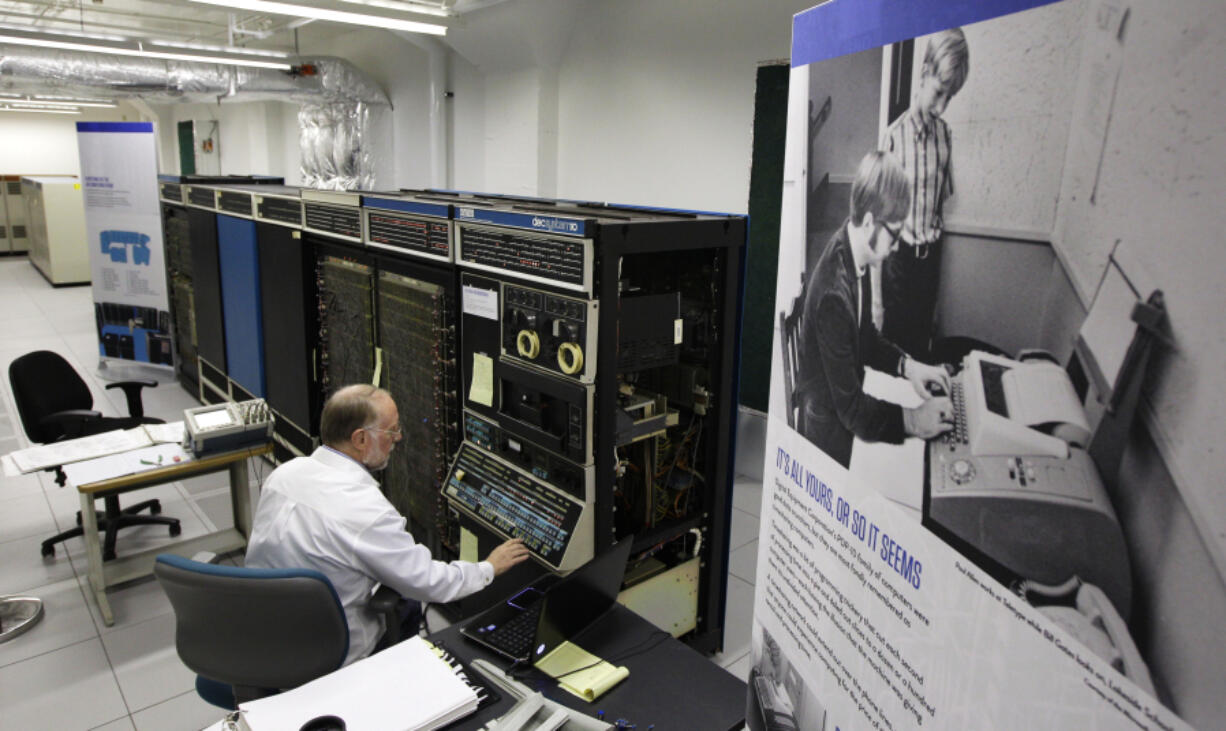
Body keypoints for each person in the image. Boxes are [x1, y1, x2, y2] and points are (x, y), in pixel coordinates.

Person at [246, 384, 531, 665]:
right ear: (360, 439)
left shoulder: (283, 475)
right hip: (333, 656)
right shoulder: (367, 512)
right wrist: (489, 567)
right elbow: (429, 582)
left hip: (264, 636)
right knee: (407, 603)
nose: (398, 437)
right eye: (391, 430)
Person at [795, 151, 953, 468]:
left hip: (846, 402)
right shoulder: (833, 295)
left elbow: (865, 337)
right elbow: (852, 410)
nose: (898, 246)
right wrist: (914, 420)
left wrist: (910, 367)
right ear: (869, 223)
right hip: (827, 431)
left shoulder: (855, 249)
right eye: (895, 234)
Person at [875, 26, 970, 358]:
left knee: (921, 349)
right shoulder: (892, 139)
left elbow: (938, 206)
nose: (942, 107)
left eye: (950, 97)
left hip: (930, 263)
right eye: (939, 92)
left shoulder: (946, 137)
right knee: (895, 353)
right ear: (925, 73)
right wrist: (876, 300)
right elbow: (878, 226)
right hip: (898, 265)